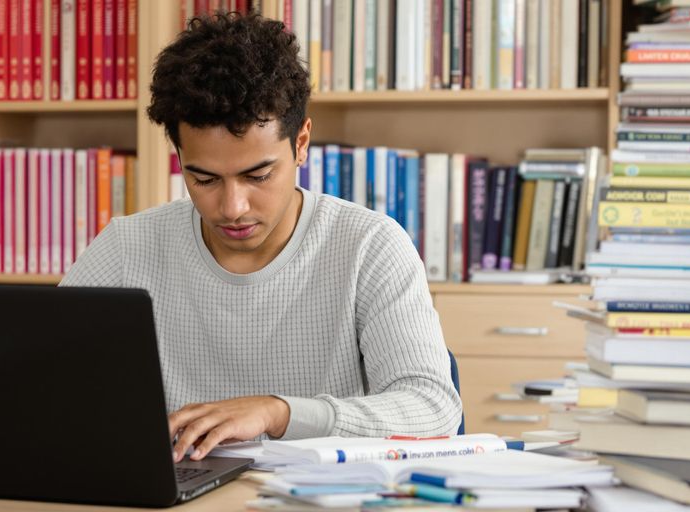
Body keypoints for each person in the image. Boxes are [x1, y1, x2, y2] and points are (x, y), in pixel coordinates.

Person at [61, 12, 461, 463]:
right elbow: (32, 378)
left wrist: (279, 414)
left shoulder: (369, 245)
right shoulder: (126, 247)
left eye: (258, 174)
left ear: (302, 142)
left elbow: (433, 409)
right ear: (179, 155)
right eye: (204, 179)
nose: (232, 208)